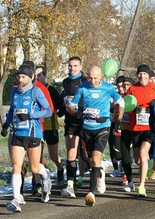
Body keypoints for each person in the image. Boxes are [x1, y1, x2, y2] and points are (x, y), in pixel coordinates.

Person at [67, 65, 124, 206]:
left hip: (103, 127)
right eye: (90, 78)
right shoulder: (83, 88)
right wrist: (76, 113)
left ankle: (91, 193)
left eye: (96, 78)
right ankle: (100, 174)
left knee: (96, 157)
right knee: (89, 160)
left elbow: (121, 102)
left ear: (101, 77)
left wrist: (119, 119)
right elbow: (71, 105)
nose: (93, 81)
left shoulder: (108, 88)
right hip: (87, 128)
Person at [1, 65, 52, 212]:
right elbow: (12, 110)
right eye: (18, 77)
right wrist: (5, 125)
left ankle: (45, 175)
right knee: (16, 166)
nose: (20, 79)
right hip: (18, 133)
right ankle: (16, 198)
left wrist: (31, 116)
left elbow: (48, 111)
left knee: (34, 167)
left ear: (30, 78)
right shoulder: (14, 92)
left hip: (33, 133)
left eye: (23, 77)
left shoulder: (36, 92)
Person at [58, 56, 88, 199]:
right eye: (70, 66)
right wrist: (63, 109)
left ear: (80, 67)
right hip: (70, 122)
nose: (72, 68)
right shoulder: (65, 82)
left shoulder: (85, 81)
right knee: (71, 154)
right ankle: (70, 184)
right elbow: (66, 98)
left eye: (75, 66)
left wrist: (80, 111)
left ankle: (96, 177)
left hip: (85, 121)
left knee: (87, 155)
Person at [126, 64, 155, 197]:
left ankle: (141, 186)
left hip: (149, 127)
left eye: (144, 74)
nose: (142, 76)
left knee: (143, 152)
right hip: (135, 126)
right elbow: (126, 105)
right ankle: (148, 163)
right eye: (140, 74)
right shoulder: (132, 88)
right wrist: (133, 108)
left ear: (148, 75)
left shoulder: (154, 88)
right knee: (138, 159)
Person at [35, 66, 65, 185]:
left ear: (45, 75)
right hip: (38, 127)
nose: (37, 78)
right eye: (35, 75)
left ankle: (60, 168)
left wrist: (57, 114)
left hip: (51, 127)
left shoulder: (51, 89)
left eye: (39, 75)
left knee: (53, 156)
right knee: (38, 156)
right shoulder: (33, 89)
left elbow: (61, 105)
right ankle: (39, 182)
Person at [109, 75, 125, 178]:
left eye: (122, 86)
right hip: (113, 123)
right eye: (118, 86)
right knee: (112, 145)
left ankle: (123, 165)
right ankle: (115, 168)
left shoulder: (128, 95)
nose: (120, 89)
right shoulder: (114, 95)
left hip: (124, 124)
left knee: (121, 148)